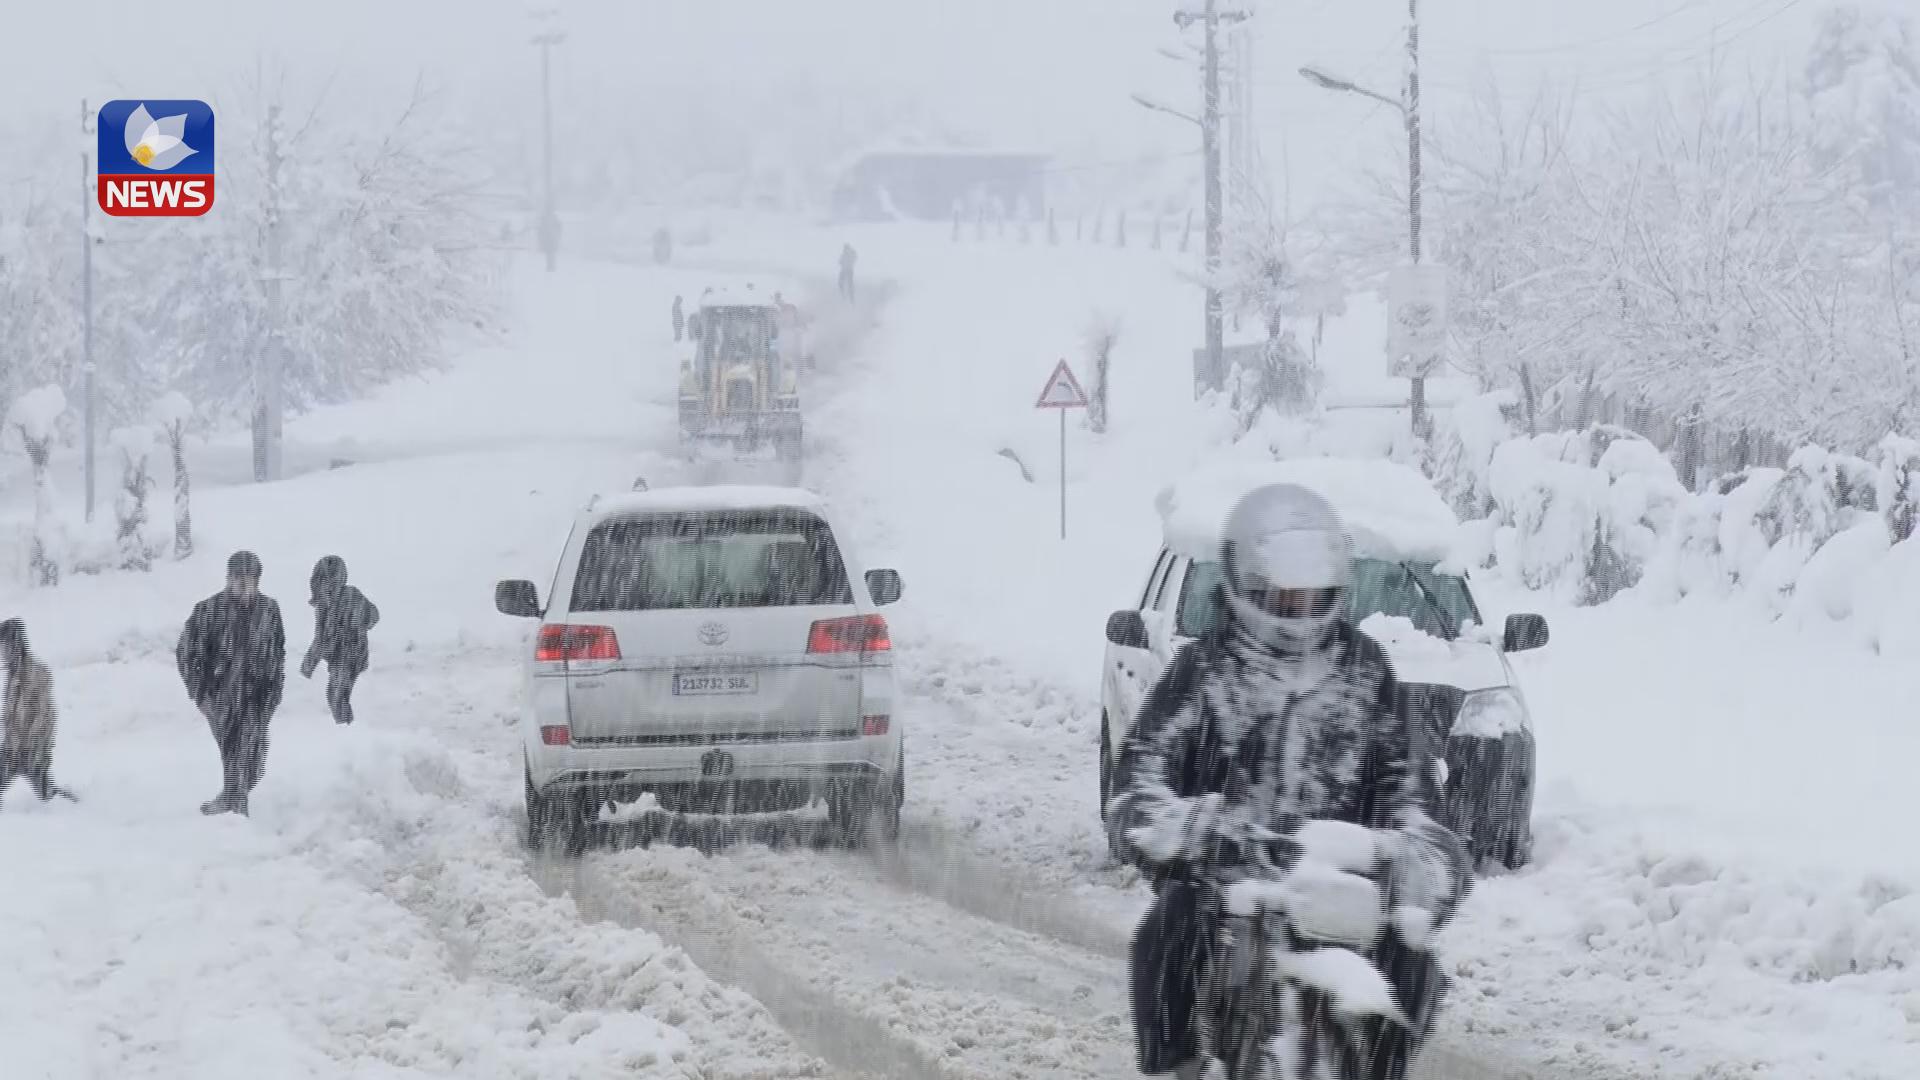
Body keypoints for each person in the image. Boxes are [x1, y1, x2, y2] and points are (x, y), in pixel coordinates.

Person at [1106, 484, 1471, 1080]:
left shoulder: (1367, 673)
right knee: (1167, 933)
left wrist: (1418, 855)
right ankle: (1176, 1067)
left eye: (1311, 596)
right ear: (1247, 588)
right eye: (1283, 596)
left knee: (1414, 965)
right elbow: (1139, 780)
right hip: (1230, 875)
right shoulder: (1202, 672)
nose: (1299, 609)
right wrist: (1195, 826)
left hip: (1343, 881)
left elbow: (1412, 791)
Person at [176, 551, 286, 816]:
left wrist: (275, 690)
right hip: (220, 695)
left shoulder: (269, 610)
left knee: (255, 761)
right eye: (238, 576)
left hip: (259, 695)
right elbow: (185, 653)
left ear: (258, 579)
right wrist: (199, 693)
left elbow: (278, 652)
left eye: (249, 577)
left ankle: (231, 797)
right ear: (228, 578)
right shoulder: (207, 610)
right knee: (234, 751)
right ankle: (236, 812)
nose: (243, 582)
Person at [0, 618, 74, 807]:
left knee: (45, 791)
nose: (3, 652)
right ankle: (71, 805)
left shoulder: (34, 672)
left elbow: (43, 712)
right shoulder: (13, 673)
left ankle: (76, 806)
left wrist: (31, 744)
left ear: (16, 645)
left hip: (32, 746)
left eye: (6, 645)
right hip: (14, 745)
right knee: (41, 788)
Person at [299, 555, 380, 726]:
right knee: (334, 694)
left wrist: (357, 624)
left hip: (351, 654)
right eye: (323, 581)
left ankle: (347, 728)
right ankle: (346, 727)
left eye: (330, 580)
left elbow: (373, 616)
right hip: (339, 656)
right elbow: (321, 638)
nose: (327, 586)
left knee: (337, 695)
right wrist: (309, 664)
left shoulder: (351, 595)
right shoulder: (324, 605)